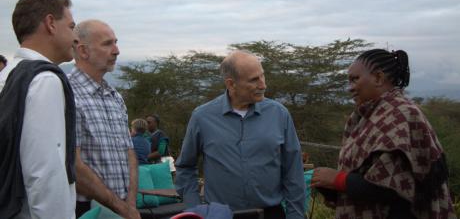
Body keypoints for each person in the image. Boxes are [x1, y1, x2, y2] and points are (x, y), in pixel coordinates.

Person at [311, 49, 456, 219]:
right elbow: (363, 173)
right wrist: (328, 185)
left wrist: (337, 180)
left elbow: (395, 187)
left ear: (378, 78)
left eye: (355, 79)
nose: (350, 88)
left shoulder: (401, 115)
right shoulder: (365, 116)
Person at [175, 50, 306, 219]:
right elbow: (185, 167)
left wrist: (295, 216)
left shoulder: (279, 114)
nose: (263, 85)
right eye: (254, 80)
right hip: (220, 215)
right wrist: (195, 210)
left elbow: (293, 171)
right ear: (231, 84)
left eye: (262, 76)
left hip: (271, 214)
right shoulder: (202, 117)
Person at [0, 0, 77, 218]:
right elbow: (45, 174)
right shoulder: (44, 80)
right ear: (51, 23)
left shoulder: (7, 76)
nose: (75, 37)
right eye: (71, 27)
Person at [68, 19, 140, 219]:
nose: (116, 50)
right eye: (108, 44)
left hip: (124, 207)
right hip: (88, 211)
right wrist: (123, 209)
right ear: (83, 51)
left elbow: (130, 152)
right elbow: (73, 163)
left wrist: (130, 205)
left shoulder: (115, 96)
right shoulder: (67, 94)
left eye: (116, 42)